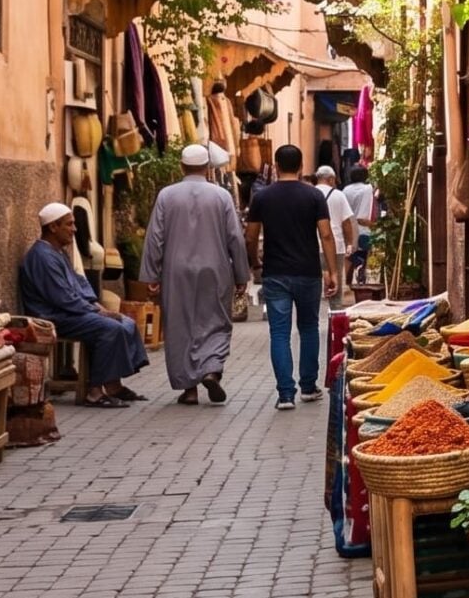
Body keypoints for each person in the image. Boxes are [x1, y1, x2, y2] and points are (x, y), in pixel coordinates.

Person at [142, 143, 249, 405]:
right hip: (215, 269)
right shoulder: (221, 195)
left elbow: (155, 237)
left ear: (182, 166)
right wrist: (241, 274)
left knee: (179, 325)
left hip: (175, 270)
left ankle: (189, 389)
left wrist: (151, 274)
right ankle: (211, 369)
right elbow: (235, 237)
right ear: (207, 168)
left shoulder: (167, 195)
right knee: (216, 320)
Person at [18, 202, 148, 408]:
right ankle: (95, 392)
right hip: (53, 315)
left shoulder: (58, 252)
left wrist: (96, 305)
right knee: (110, 328)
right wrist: (96, 311)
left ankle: (113, 385)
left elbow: (79, 283)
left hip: (70, 311)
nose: (74, 230)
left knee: (127, 323)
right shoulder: (42, 257)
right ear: (53, 227)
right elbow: (62, 298)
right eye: (69, 225)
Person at [246, 143, 340, 410]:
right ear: (300, 167)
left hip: (275, 273)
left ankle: (286, 394)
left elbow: (251, 236)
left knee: (279, 333)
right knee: (309, 328)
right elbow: (326, 234)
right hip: (308, 272)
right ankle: (308, 387)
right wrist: (332, 271)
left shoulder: (262, 197)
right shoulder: (313, 197)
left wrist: (255, 262)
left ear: (276, 166)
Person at [312, 166, 355, 306]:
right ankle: (335, 316)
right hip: (336, 246)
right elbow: (346, 223)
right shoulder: (338, 195)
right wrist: (350, 243)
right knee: (335, 287)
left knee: (313, 284)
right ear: (330, 179)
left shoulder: (309, 194)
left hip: (311, 246)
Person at [341, 167, 376, 286]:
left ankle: (347, 281)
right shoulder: (367, 188)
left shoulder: (345, 190)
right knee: (365, 253)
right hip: (363, 229)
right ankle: (360, 268)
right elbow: (364, 215)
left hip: (348, 228)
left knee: (348, 255)